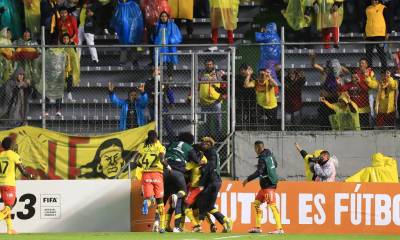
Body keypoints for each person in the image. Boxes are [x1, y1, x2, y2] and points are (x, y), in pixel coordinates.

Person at [242, 140, 283, 234]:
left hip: (269, 185)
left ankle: (280, 229)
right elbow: (275, 165)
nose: (255, 150)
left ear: (257, 148)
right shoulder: (270, 154)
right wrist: (265, 169)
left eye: (255, 148)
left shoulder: (262, 158)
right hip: (265, 186)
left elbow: (259, 172)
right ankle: (258, 227)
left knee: (272, 205)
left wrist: (247, 179)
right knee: (256, 203)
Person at [163, 132, 198, 232]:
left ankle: (159, 224)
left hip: (165, 171)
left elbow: (163, 154)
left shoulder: (172, 143)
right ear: (190, 140)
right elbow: (196, 161)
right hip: (178, 173)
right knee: (182, 195)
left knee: (163, 199)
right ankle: (177, 227)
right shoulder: (189, 147)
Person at [196, 136, 232, 233]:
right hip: (216, 181)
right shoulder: (212, 151)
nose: (203, 144)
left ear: (210, 144)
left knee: (202, 201)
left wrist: (202, 182)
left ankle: (198, 225)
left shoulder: (210, 152)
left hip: (212, 181)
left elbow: (211, 166)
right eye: (202, 142)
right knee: (210, 206)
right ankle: (225, 222)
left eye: (205, 143)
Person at [134, 130, 167, 233]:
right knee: (160, 202)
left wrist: (140, 164)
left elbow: (135, 160)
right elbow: (162, 159)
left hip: (146, 174)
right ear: (156, 137)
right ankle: (162, 227)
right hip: (157, 174)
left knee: (150, 198)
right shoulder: (159, 146)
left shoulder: (142, 146)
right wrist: (168, 166)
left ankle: (146, 203)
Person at [0, 137, 33, 234]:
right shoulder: (14, 155)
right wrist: (31, 176)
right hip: (9, 184)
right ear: (10, 145)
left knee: (7, 206)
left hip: (1, 183)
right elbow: (23, 172)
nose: (15, 145)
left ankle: (10, 229)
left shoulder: (0, 155)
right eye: (13, 143)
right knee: (11, 204)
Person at [310, 53, 350, 129]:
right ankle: (324, 130)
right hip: (326, 100)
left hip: (336, 100)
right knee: (325, 119)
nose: (330, 68)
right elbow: (314, 65)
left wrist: (337, 66)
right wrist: (313, 58)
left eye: (332, 67)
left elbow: (348, 72)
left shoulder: (339, 74)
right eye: (330, 66)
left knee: (336, 118)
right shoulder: (324, 73)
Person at [111, 0, 143, 66]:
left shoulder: (133, 4)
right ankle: (123, 61)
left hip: (132, 28)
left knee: (133, 44)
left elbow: (137, 17)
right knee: (123, 44)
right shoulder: (119, 4)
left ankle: (134, 61)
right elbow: (116, 16)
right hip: (123, 27)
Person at [199, 59, 225, 140]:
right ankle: (207, 138)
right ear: (204, 65)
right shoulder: (201, 74)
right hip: (204, 102)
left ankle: (218, 137)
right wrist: (190, 96)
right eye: (207, 64)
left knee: (217, 120)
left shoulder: (219, 73)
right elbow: (197, 86)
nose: (209, 66)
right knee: (206, 121)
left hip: (216, 101)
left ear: (214, 65)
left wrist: (224, 95)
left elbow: (224, 84)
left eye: (210, 64)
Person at [152, 11, 182, 80]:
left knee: (169, 61)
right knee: (158, 61)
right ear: (160, 17)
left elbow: (177, 36)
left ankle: (170, 77)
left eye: (165, 16)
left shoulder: (173, 25)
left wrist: (171, 41)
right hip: (160, 47)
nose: (164, 18)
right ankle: (157, 78)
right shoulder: (157, 26)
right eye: (162, 16)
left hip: (169, 47)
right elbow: (153, 37)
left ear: (168, 17)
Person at [364, 0, 391, 70]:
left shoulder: (383, 8)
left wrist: (388, 32)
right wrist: (364, 33)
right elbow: (364, 21)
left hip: (380, 35)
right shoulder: (367, 8)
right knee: (368, 55)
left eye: (375, 0)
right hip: (369, 35)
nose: (373, 1)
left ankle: (384, 71)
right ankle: (369, 72)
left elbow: (388, 21)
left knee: (381, 54)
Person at [236, 63, 256, 130]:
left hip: (252, 100)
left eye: (246, 69)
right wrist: (248, 75)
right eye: (242, 70)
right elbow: (245, 85)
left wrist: (250, 75)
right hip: (241, 100)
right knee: (239, 117)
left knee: (252, 117)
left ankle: (252, 131)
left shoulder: (254, 76)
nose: (243, 71)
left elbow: (253, 84)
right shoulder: (237, 77)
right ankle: (239, 131)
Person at [62, 33, 80, 102]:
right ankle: (61, 97)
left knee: (69, 80)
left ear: (69, 40)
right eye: (64, 38)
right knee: (62, 82)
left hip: (69, 68)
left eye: (67, 38)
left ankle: (69, 95)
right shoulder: (60, 47)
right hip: (62, 69)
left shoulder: (71, 47)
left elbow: (74, 58)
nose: (65, 40)